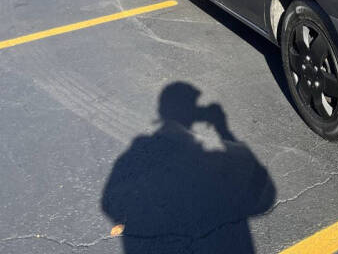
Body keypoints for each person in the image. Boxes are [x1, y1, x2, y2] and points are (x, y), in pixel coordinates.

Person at [101, 82, 275, 253]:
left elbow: (111, 202)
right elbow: (262, 199)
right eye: (194, 105)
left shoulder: (141, 151)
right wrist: (223, 129)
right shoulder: (203, 160)